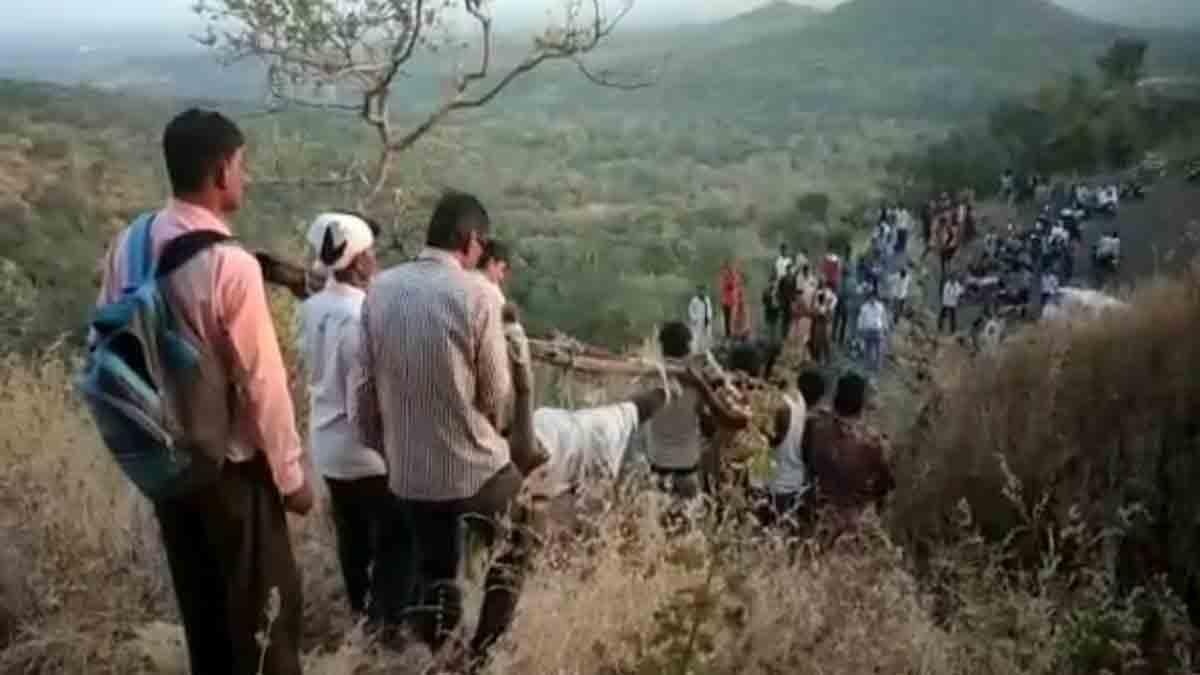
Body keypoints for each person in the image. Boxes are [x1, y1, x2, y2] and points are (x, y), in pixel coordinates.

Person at [93, 109, 312, 675]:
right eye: (241, 165)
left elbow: (104, 339)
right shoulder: (228, 265)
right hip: (231, 473)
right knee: (265, 633)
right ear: (220, 172)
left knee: (206, 622)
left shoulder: (128, 244)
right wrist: (291, 478)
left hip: (165, 463)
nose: (246, 176)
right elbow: (263, 382)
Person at [355, 191, 530, 665]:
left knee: (436, 569)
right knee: (519, 532)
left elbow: (362, 391)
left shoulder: (380, 289)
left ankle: (439, 652)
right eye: (482, 244)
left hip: (409, 475)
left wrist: (390, 452)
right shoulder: (477, 294)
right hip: (471, 470)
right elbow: (495, 396)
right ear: (470, 240)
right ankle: (483, 652)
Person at [298, 212, 384, 618]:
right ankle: (385, 624)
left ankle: (359, 614)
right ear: (360, 261)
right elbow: (362, 398)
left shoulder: (312, 308)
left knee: (351, 537)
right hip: (364, 450)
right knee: (392, 539)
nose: (375, 261)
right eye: (371, 253)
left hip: (326, 444)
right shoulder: (361, 315)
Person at [802, 373, 894, 536]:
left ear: (835, 397)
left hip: (810, 511)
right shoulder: (873, 444)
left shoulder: (813, 425)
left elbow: (804, 457)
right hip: (848, 525)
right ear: (862, 404)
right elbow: (884, 488)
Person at [759, 370, 827, 528]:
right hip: (789, 487)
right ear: (817, 399)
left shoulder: (784, 406)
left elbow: (766, 444)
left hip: (769, 484)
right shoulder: (810, 420)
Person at [857, 290, 887, 373]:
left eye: (874, 297)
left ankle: (878, 366)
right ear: (869, 298)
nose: (872, 299)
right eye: (871, 297)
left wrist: (885, 328)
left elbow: (883, 317)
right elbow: (860, 318)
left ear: (876, 298)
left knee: (879, 350)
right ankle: (867, 365)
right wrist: (860, 328)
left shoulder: (880, 306)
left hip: (878, 330)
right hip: (868, 330)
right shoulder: (864, 307)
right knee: (868, 349)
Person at [476, 238, 511, 306]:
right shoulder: (494, 294)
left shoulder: (465, 275)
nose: (501, 276)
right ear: (491, 262)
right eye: (501, 269)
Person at [810, 282, 838, 364]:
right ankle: (819, 357)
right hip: (819, 317)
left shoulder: (831, 295)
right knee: (818, 338)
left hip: (826, 318)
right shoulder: (818, 293)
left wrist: (827, 310)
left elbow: (832, 306)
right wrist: (819, 310)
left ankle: (827, 358)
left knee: (826, 339)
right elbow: (816, 305)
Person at [688, 285, 714, 354]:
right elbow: (690, 310)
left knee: (707, 336)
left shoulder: (707, 299)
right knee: (697, 337)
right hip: (698, 321)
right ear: (697, 291)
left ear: (704, 291)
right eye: (700, 290)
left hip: (706, 320)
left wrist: (709, 317)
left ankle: (706, 351)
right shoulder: (694, 300)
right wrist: (694, 318)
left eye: (703, 290)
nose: (701, 292)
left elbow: (710, 309)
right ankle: (696, 351)